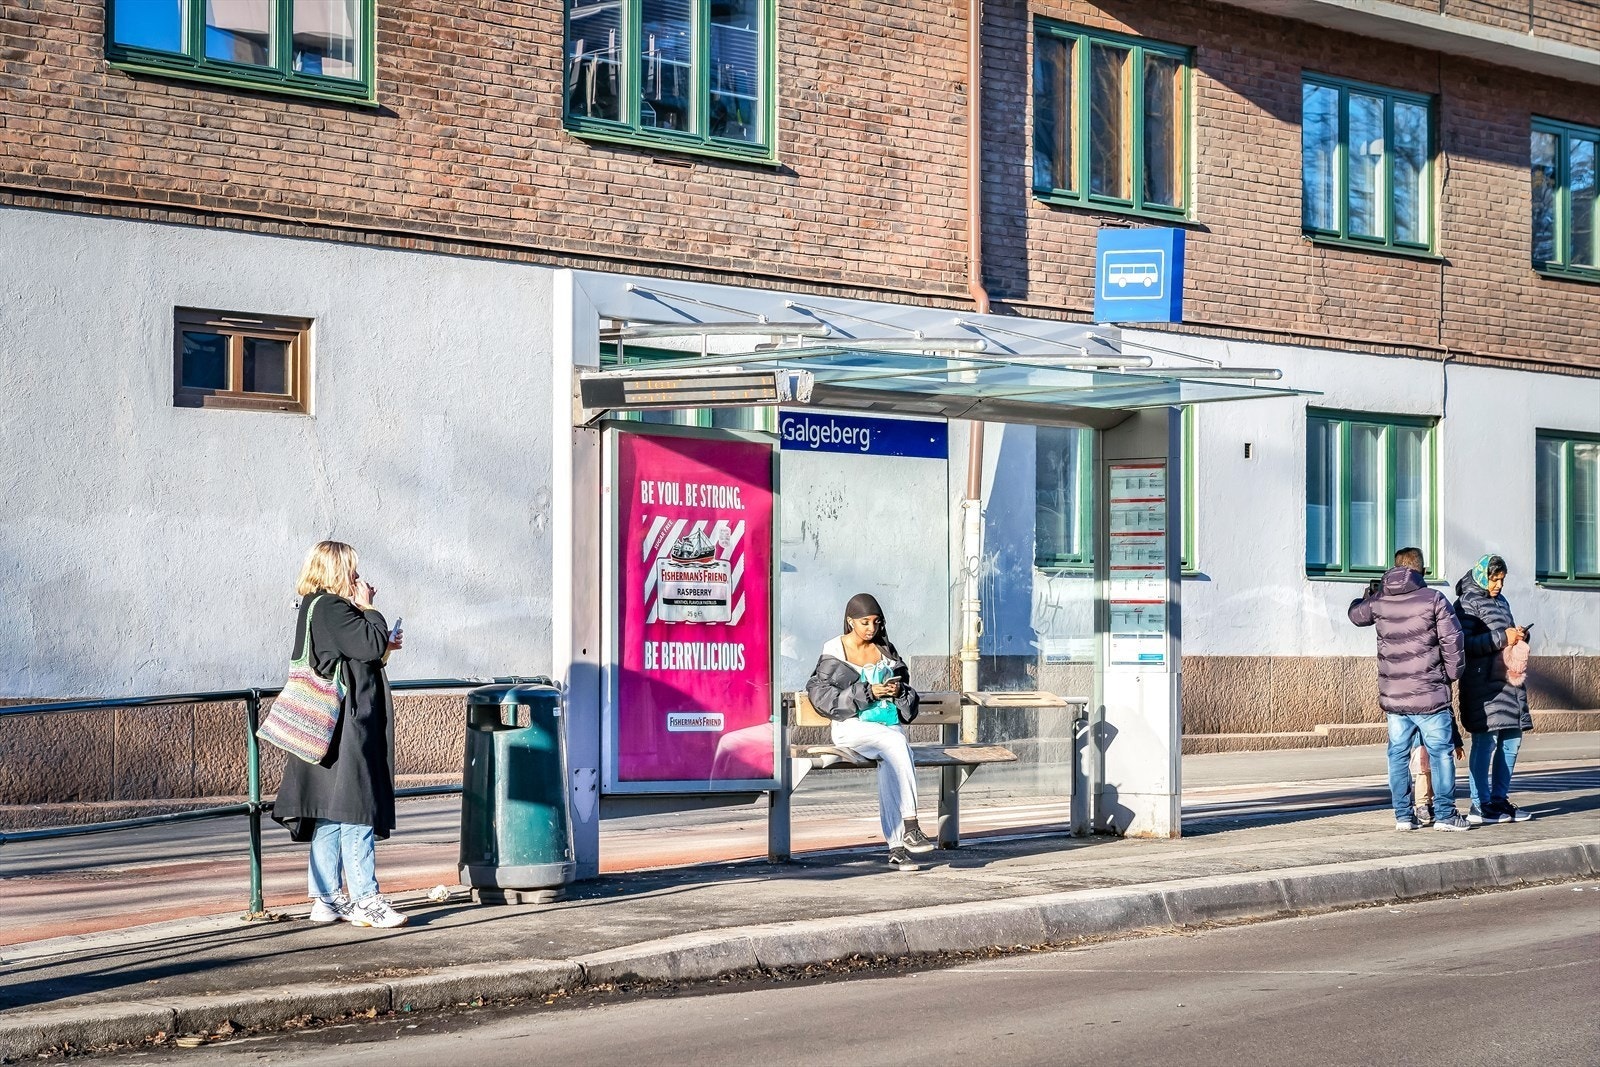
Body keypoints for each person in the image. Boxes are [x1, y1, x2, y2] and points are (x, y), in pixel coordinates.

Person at [272, 541, 407, 928]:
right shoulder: (332, 606)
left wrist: (380, 641)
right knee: (357, 807)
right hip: (345, 726)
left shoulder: (316, 607)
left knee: (330, 811)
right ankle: (366, 899)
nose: (357, 578)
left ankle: (327, 897)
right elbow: (369, 642)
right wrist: (370, 609)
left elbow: (361, 652)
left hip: (325, 729)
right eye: (351, 570)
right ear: (336, 571)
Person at [805, 593, 938, 867]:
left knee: (893, 760)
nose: (871, 628)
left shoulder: (885, 649)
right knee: (897, 746)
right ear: (850, 621)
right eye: (864, 622)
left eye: (876, 622)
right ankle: (911, 826)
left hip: (886, 726)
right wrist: (869, 691)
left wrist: (899, 690)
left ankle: (897, 848)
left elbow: (908, 694)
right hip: (851, 727)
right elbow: (822, 699)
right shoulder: (835, 651)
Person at [1348, 547, 1468, 832]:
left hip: (1395, 698)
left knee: (1398, 755)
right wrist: (1450, 676)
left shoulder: (1381, 600)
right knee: (1440, 754)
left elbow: (1356, 615)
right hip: (1430, 694)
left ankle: (1403, 816)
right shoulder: (1434, 599)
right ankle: (1445, 815)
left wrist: (1369, 595)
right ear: (1421, 570)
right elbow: (1454, 642)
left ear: (1394, 568)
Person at [1454, 554, 1534, 824]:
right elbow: (1464, 644)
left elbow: (1505, 634)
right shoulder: (1466, 602)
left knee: (1512, 739)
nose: (1498, 584)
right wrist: (1503, 638)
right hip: (1482, 685)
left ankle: (1499, 801)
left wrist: (1519, 635)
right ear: (1481, 575)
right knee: (1485, 741)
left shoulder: (1502, 601)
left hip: (1507, 681)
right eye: (1494, 579)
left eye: (1501, 579)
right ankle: (1479, 805)